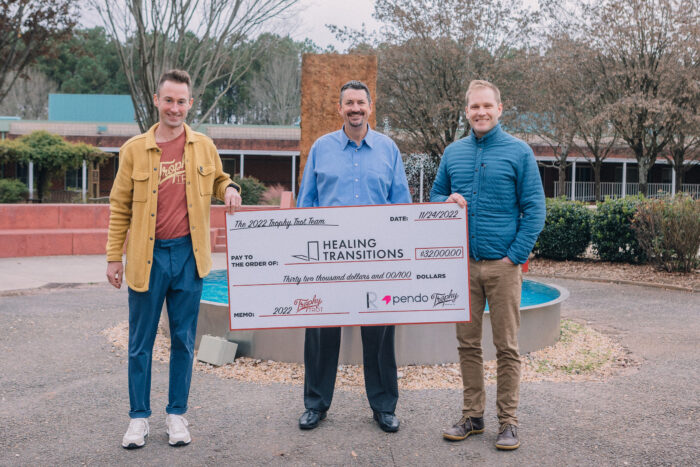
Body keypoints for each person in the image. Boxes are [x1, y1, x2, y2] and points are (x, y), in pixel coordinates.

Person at [106, 69, 241, 449]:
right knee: (140, 342)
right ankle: (138, 419)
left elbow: (218, 179)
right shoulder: (134, 149)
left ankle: (176, 415)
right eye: (169, 100)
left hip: (188, 255)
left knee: (183, 340)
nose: (175, 108)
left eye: (182, 101)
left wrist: (229, 187)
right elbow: (119, 207)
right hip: (147, 257)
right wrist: (113, 257)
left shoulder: (203, 146)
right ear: (157, 100)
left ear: (190, 104)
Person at [430, 79, 545, 450]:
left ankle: (508, 421)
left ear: (499, 109)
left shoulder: (519, 152)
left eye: (486, 106)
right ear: (466, 112)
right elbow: (434, 198)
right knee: (467, 345)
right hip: (462, 265)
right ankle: (473, 415)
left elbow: (535, 209)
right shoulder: (452, 152)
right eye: (474, 107)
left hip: (503, 266)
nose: (480, 112)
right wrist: (445, 201)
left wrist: (515, 256)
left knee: (507, 346)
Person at [296, 80, 411, 433]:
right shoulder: (321, 148)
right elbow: (306, 205)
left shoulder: (389, 149)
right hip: (328, 260)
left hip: (377, 261)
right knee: (320, 332)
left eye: (361, 102)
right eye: (349, 103)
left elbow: (401, 205)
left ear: (370, 107)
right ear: (339, 108)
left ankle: (384, 406)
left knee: (379, 336)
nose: (355, 108)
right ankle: (315, 404)